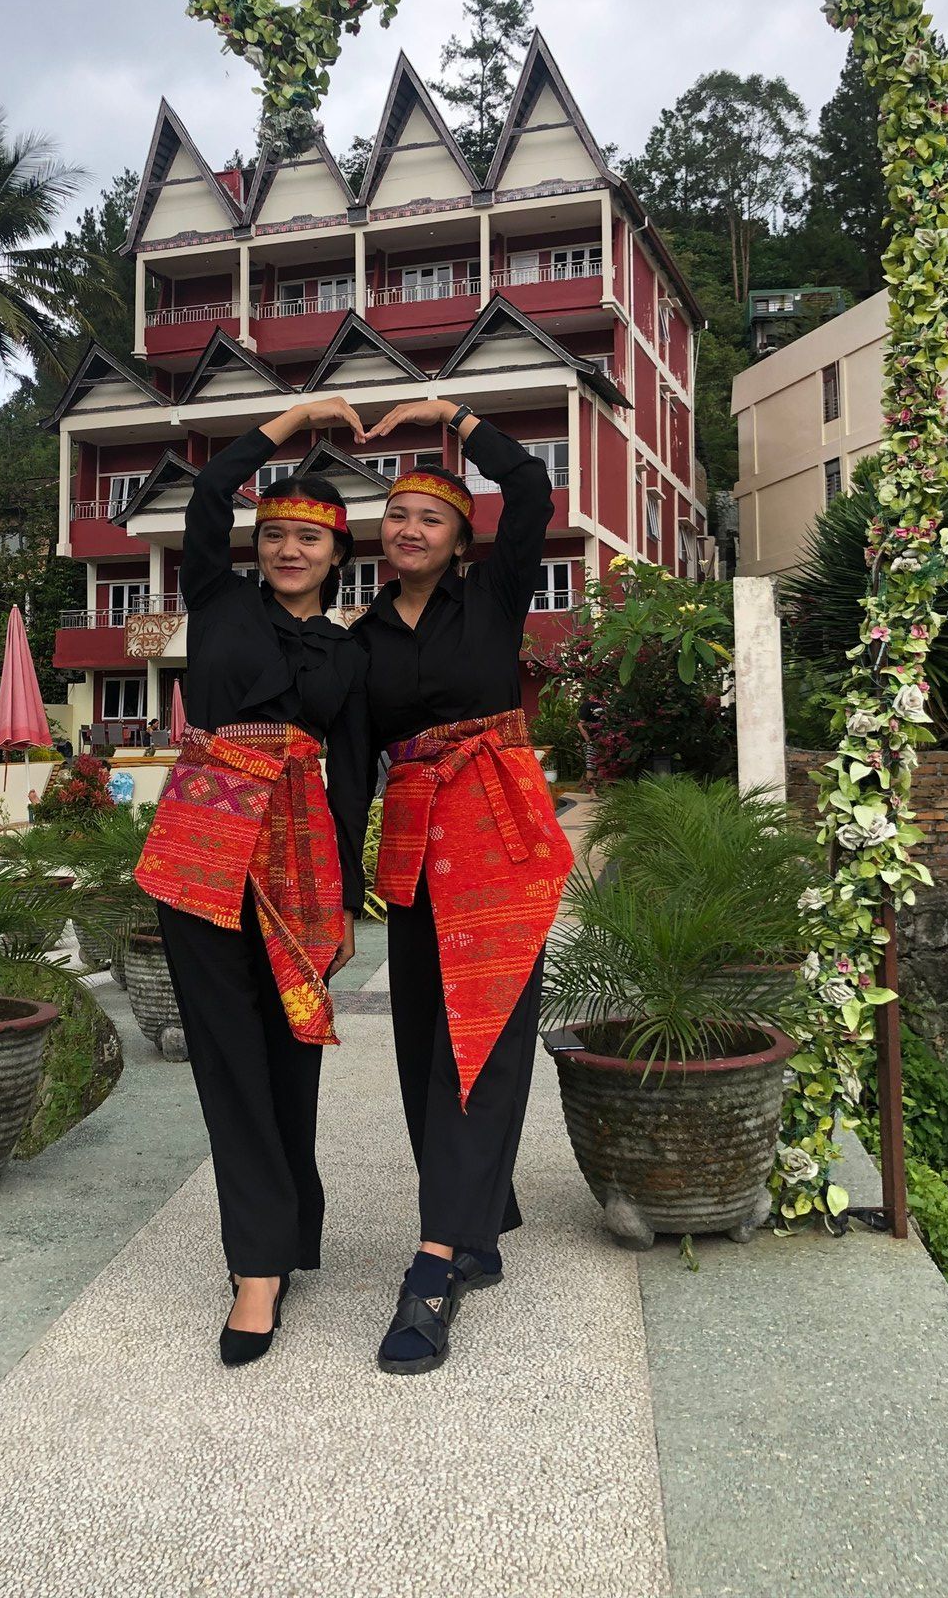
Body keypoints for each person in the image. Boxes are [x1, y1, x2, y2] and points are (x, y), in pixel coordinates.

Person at [337, 397, 575, 1375]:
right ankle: (479, 1221)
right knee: (423, 1045)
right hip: (414, 853)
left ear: (460, 536)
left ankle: (435, 1264)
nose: (409, 528)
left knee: (483, 1041)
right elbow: (351, 767)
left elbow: (530, 486)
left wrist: (451, 416)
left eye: (430, 517)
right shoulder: (360, 639)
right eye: (397, 516)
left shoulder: (494, 596)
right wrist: (336, 890)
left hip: (497, 841)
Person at [135, 396, 371, 1368]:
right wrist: (295, 419)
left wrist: (350, 898)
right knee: (230, 1058)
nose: (288, 550)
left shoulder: (352, 651)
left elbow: (353, 773)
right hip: (204, 843)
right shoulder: (219, 600)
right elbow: (208, 494)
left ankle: (289, 1229)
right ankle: (257, 1268)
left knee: (291, 1050)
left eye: (308, 538)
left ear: (337, 552)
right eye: (273, 534)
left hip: (303, 852)